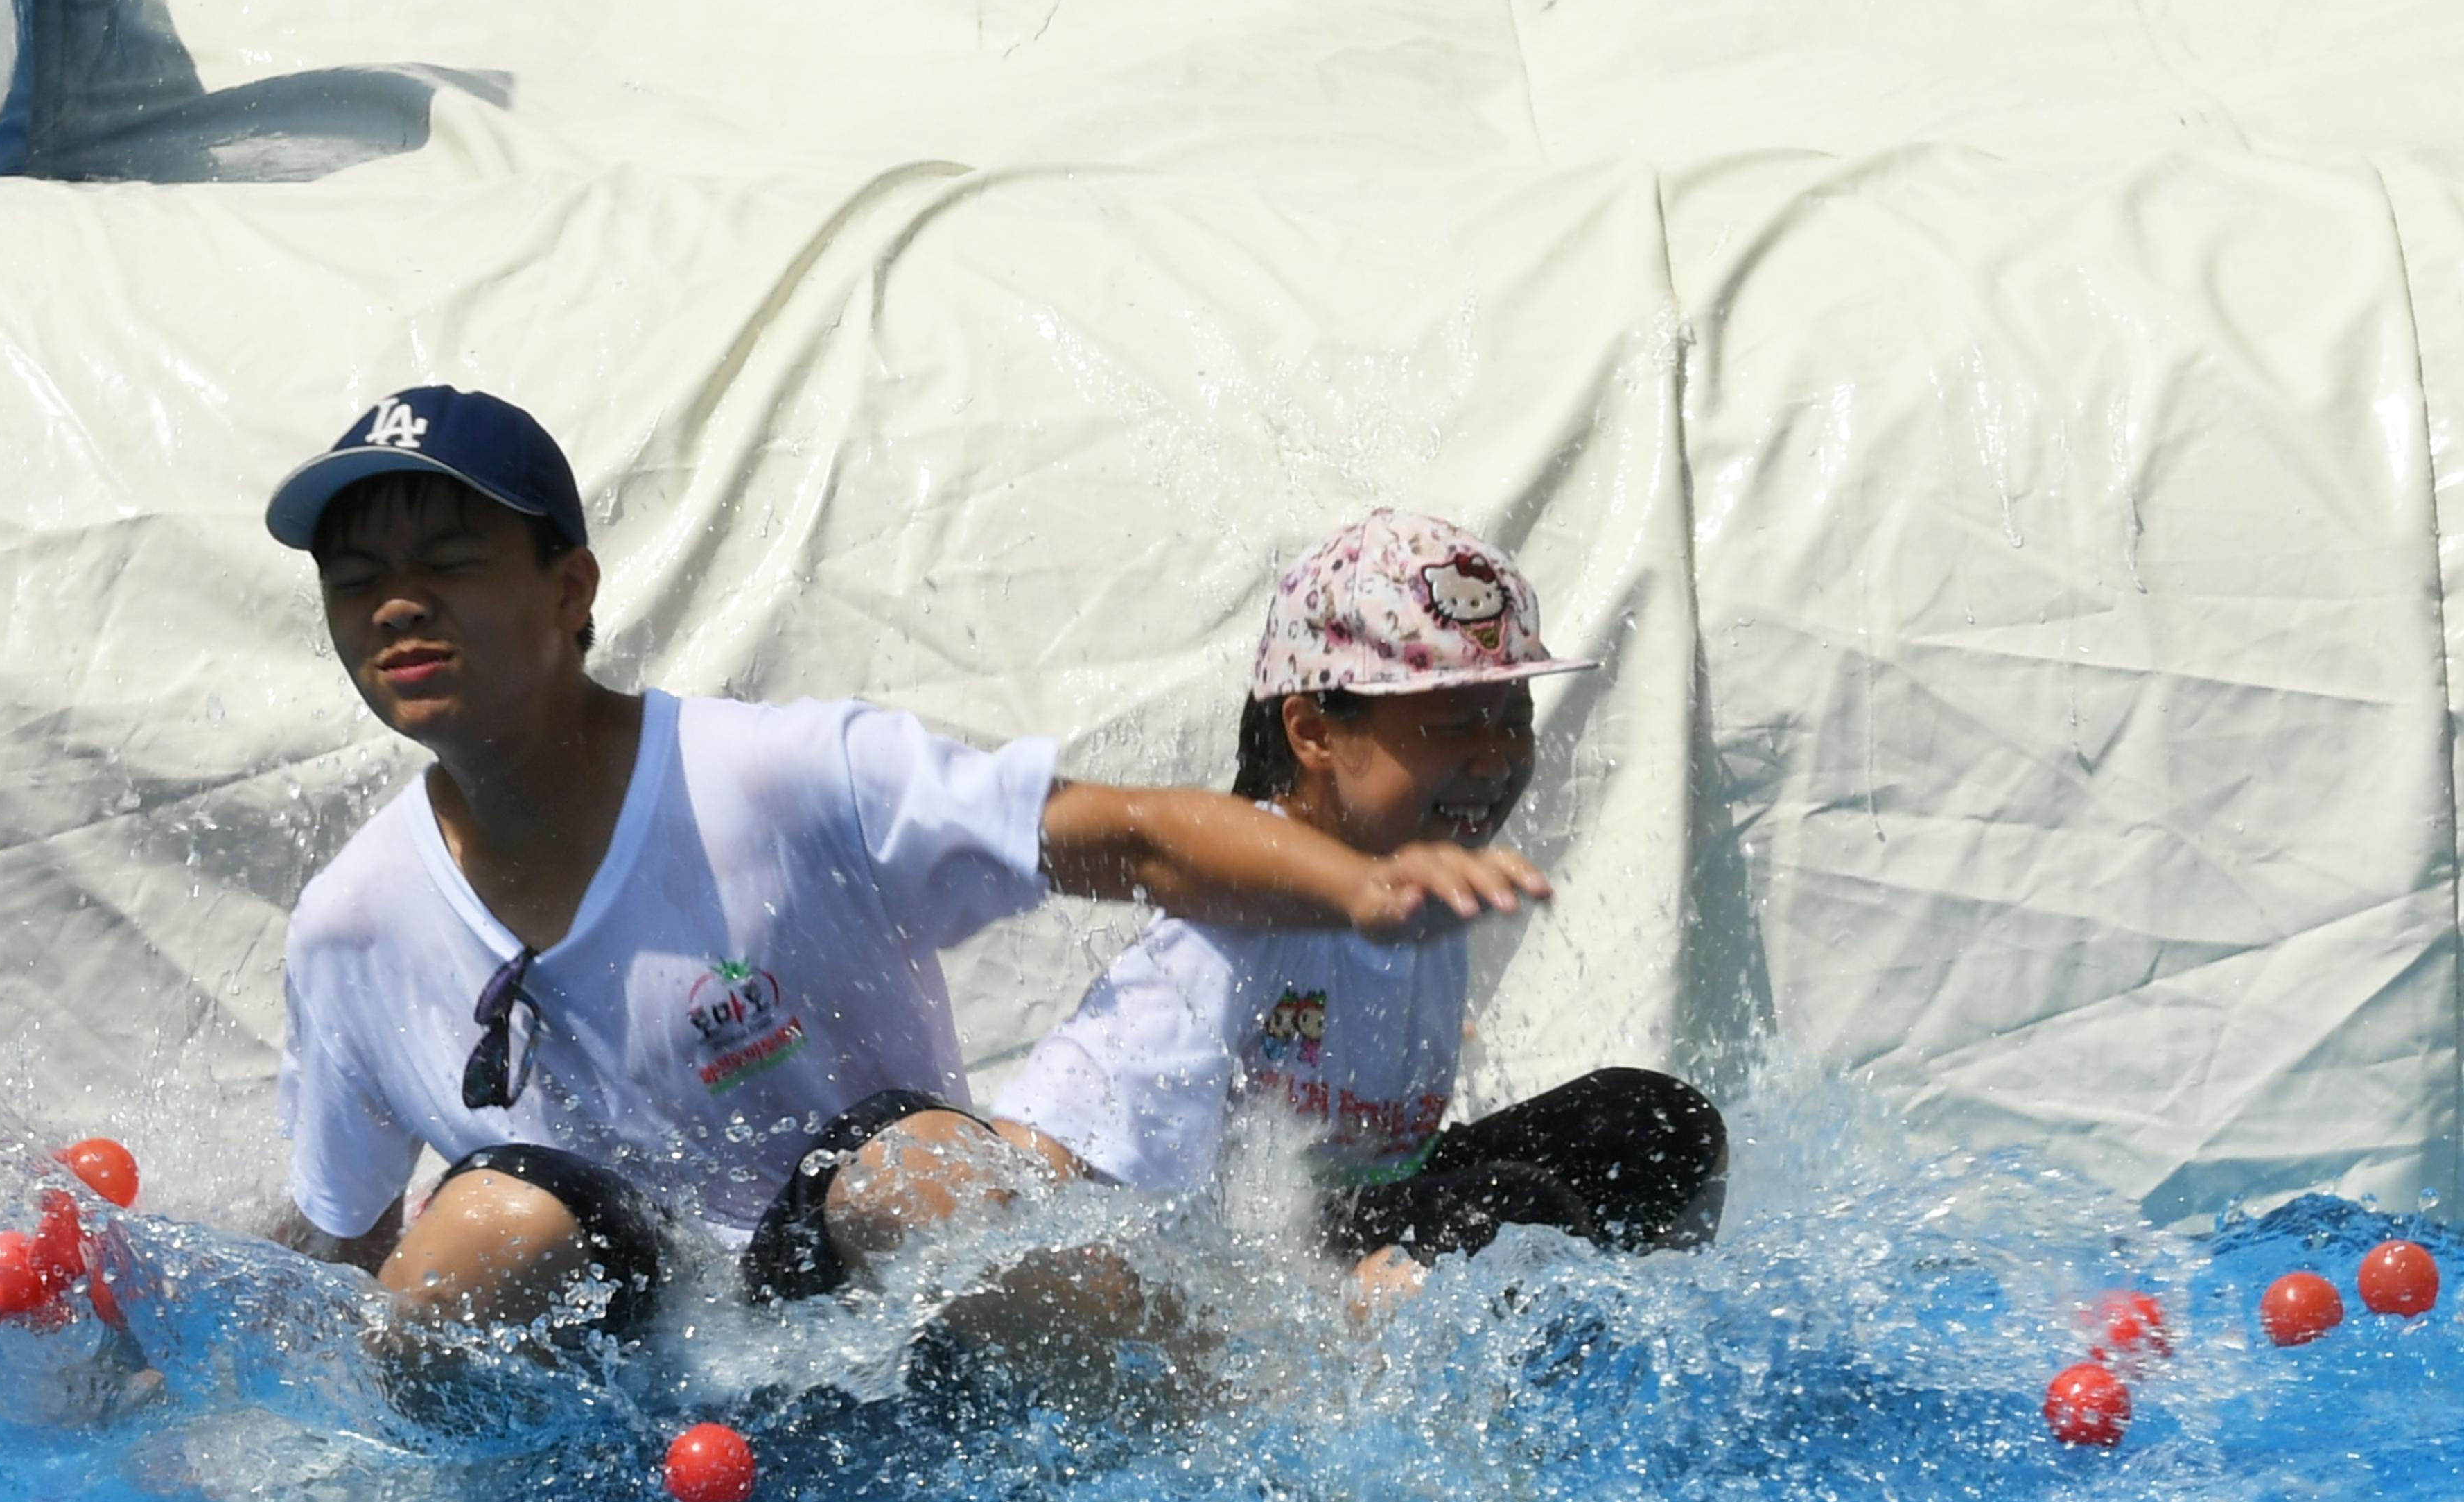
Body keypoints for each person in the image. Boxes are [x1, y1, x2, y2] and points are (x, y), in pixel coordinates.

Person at [263, 389, 1542, 1392]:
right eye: (355, 582)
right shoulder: (350, 926)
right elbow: (340, 1245)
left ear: (572, 589)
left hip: (873, 1316)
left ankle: (1264, 1419)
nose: (396, 608)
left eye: (447, 562)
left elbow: (1125, 839)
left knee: (915, 1171)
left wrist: (1359, 891)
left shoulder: (778, 776)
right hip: (635, 1369)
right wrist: (159, 1368)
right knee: (475, 1240)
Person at [993, 509, 1727, 1295]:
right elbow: (1049, 1142)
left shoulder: (1417, 870)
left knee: (1656, 1126)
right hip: (1250, 1270)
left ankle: (1628, 1335)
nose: (1496, 758)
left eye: (1513, 721)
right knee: (1503, 1214)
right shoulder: (1242, 908)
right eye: (1456, 725)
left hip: (1357, 1211)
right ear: (1311, 733)